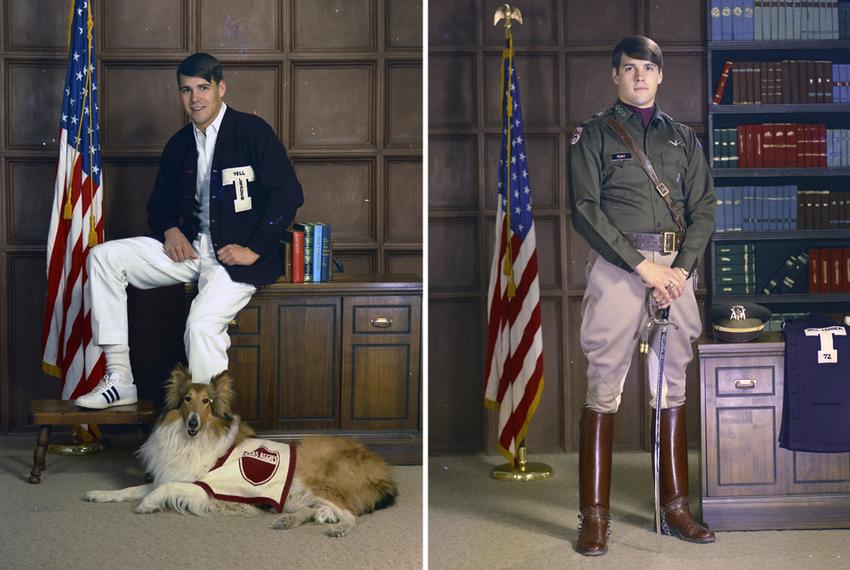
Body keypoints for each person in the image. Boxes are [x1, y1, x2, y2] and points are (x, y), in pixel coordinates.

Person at [75, 53, 303, 409]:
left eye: (203, 87)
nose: (195, 97)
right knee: (104, 257)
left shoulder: (251, 132)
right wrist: (170, 231)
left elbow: (288, 194)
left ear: (220, 88)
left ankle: (209, 426)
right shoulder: (180, 144)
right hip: (192, 252)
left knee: (199, 328)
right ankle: (120, 379)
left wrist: (254, 248)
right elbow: (159, 205)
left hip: (235, 262)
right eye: (186, 90)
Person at [567, 36, 716, 555]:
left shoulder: (684, 140)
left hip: (676, 272)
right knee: (604, 385)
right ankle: (594, 517)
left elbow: (705, 210)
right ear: (615, 76)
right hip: (618, 271)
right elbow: (585, 210)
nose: (639, 77)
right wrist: (643, 267)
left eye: (647, 69)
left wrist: (678, 271)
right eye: (629, 68)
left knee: (671, 386)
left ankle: (675, 509)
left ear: (660, 76)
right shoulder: (593, 135)